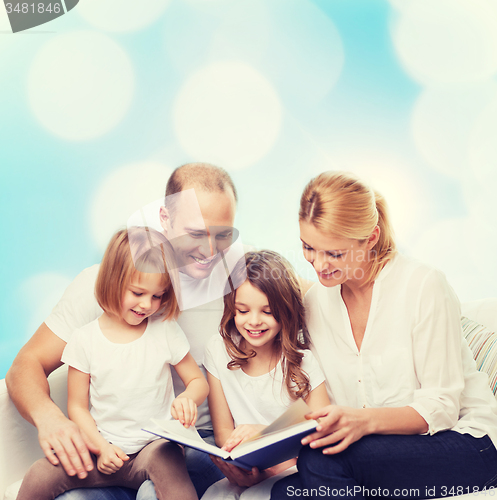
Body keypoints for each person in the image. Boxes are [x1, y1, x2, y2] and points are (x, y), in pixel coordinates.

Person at [6, 163, 240, 500]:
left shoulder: (236, 286)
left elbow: (293, 297)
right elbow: (25, 366)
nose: (210, 251)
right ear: (165, 218)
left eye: (223, 235)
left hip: (187, 444)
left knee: (153, 490)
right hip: (109, 444)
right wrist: (50, 418)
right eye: (197, 233)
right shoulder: (103, 284)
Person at [271, 171, 497, 499]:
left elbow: (442, 407)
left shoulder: (423, 285)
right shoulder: (316, 303)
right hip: (385, 451)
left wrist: (363, 421)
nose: (319, 265)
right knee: (285, 492)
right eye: (308, 248)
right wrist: (263, 449)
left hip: (468, 443)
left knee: (319, 462)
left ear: (371, 237)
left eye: (334, 254)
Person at [16, 227, 209, 500]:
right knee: (40, 474)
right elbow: (77, 408)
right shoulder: (84, 340)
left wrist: (189, 397)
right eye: (138, 292)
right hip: (103, 451)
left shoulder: (165, 330)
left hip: (154, 448)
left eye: (157, 296)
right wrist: (100, 448)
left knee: (168, 461)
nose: (147, 305)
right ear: (113, 281)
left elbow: (197, 381)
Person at [204, 250, 330, 499]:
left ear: (285, 311)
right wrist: (241, 465)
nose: (253, 321)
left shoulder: (304, 362)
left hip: (294, 470)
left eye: (267, 311)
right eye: (242, 310)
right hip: (245, 468)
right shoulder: (218, 349)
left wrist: (263, 438)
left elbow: (322, 432)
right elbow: (223, 433)